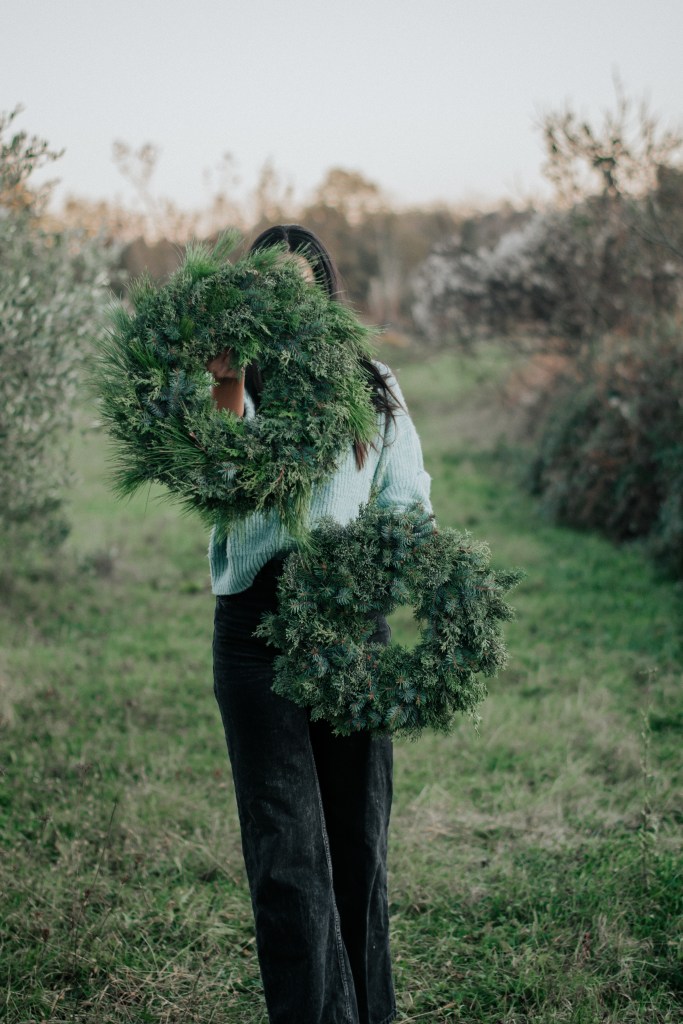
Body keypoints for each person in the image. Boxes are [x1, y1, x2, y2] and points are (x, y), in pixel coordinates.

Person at [207, 224, 432, 1024]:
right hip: (255, 630)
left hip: (349, 625)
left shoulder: (372, 382)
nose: (286, 308)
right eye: (267, 292)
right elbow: (217, 480)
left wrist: (369, 573)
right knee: (286, 857)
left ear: (326, 296)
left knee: (357, 842)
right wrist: (226, 385)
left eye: (299, 291)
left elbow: (405, 500)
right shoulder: (233, 382)